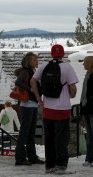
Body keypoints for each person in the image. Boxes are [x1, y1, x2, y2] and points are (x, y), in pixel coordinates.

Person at [30, 44, 79, 174]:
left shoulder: (44, 66)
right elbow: (73, 88)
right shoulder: (67, 67)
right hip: (63, 109)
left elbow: (32, 81)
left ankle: (49, 165)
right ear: (63, 54)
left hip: (47, 108)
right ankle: (61, 165)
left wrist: (38, 98)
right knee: (62, 138)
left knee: (49, 137)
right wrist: (71, 95)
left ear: (52, 54)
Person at [14, 52, 44, 166]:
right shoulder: (26, 71)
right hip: (27, 104)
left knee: (31, 132)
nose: (37, 61)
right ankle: (20, 158)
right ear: (29, 61)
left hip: (32, 104)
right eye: (34, 60)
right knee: (24, 132)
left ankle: (32, 157)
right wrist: (30, 90)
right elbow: (18, 82)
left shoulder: (32, 71)